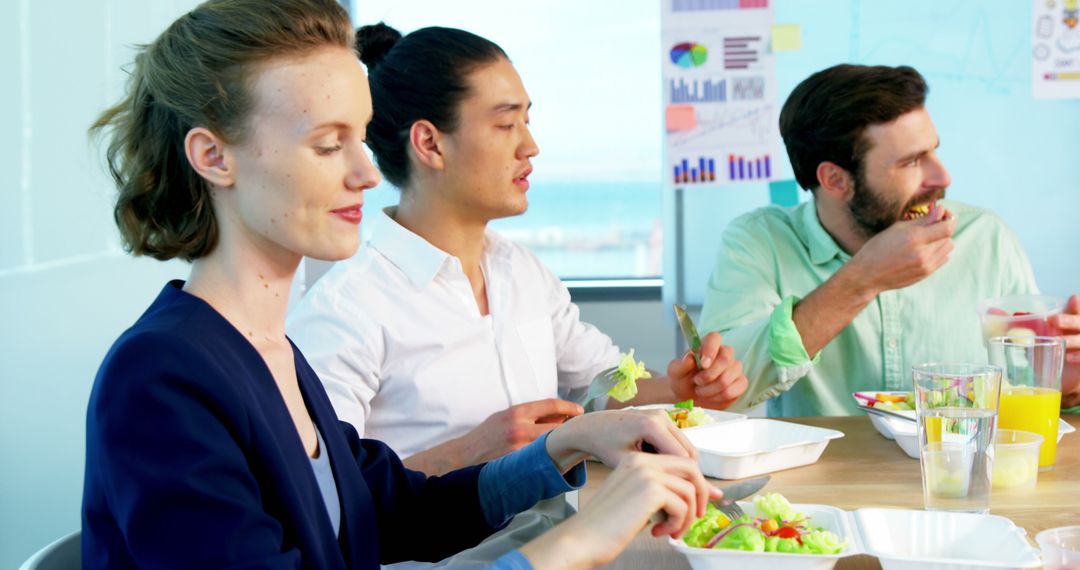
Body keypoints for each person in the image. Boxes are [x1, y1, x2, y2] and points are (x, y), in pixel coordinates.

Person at [81, 2, 722, 568]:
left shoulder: (273, 354)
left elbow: (383, 511)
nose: (366, 172)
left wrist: (565, 443)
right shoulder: (161, 377)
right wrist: (580, 543)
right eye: (329, 145)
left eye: (361, 138)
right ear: (214, 157)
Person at [285, 23, 749, 567]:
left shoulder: (520, 271)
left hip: (566, 545)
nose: (531, 146)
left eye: (528, 120)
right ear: (430, 143)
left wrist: (677, 387)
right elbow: (327, 500)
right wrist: (473, 451)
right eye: (507, 124)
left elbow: (600, 387)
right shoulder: (344, 309)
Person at [697, 64, 1080, 417]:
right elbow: (721, 393)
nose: (942, 177)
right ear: (834, 180)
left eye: (934, 151)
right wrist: (863, 279)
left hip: (963, 478)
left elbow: (1029, 389)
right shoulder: (759, 242)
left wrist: (1066, 386)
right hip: (821, 487)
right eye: (911, 162)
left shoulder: (986, 237)